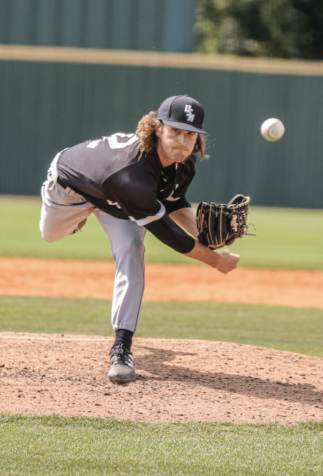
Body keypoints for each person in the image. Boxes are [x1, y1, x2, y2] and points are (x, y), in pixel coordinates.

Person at [39, 95, 241, 384]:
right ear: (158, 128)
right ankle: (80, 217)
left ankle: (121, 348)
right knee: (51, 235)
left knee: (133, 249)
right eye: (175, 131)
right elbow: (170, 235)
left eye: (190, 134)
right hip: (71, 186)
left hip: (121, 202)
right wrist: (215, 261)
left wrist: (201, 233)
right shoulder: (131, 176)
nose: (183, 141)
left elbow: (171, 198)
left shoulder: (183, 160)